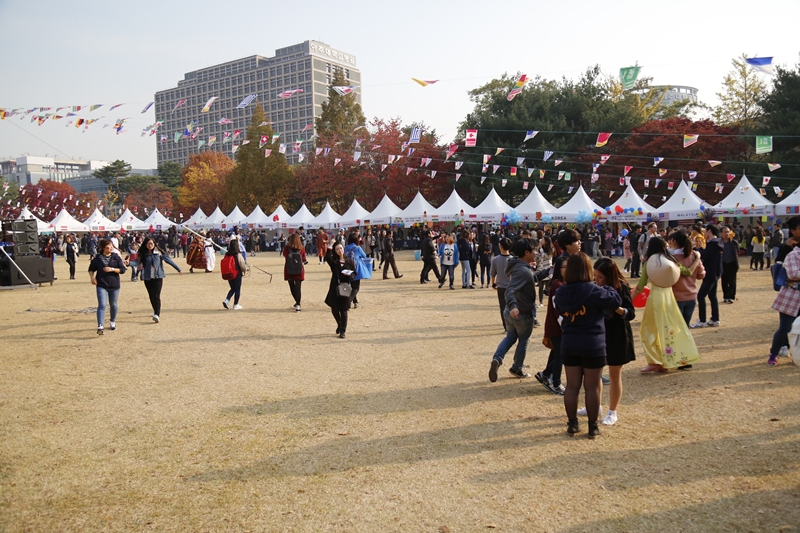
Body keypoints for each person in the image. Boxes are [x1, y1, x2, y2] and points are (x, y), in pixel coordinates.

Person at [554, 253, 621, 438]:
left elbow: (559, 309)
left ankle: (572, 424)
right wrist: (606, 286)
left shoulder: (561, 292)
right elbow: (615, 300)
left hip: (569, 342)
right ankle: (592, 426)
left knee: (572, 386)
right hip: (593, 343)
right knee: (591, 387)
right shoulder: (595, 290)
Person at [633, 237, 701, 372]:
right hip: (669, 298)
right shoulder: (672, 261)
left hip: (655, 298)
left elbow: (640, 286)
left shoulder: (649, 263)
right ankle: (672, 359)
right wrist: (697, 258)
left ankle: (655, 361)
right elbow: (688, 272)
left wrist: (629, 299)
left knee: (649, 330)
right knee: (672, 328)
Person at [590, 257, 635, 426]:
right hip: (599, 335)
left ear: (610, 275)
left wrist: (616, 307)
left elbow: (630, 313)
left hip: (618, 335)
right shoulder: (594, 288)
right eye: (595, 276)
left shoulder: (621, 287)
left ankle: (612, 412)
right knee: (595, 374)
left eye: (600, 277)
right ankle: (596, 406)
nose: (597, 280)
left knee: (614, 375)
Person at [488, 238, 537, 383]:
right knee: (524, 340)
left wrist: (549, 271)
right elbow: (510, 290)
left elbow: (530, 279)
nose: (536, 252)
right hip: (520, 312)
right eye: (534, 250)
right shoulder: (522, 270)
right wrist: (514, 306)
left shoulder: (516, 265)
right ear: (526, 252)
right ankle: (517, 367)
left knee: (510, 337)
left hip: (509, 312)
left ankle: (497, 359)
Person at [536, 255, 568, 395]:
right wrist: (565, 324)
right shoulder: (557, 285)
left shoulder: (562, 283)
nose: (566, 270)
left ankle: (545, 374)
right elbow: (557, 309)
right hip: (557, 325)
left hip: (558, 325)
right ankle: (556, 383)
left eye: (568, 267)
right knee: (560, 355)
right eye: (563, 267)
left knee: (556, 352)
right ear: (558, 269)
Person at [138, 236, 182, 323]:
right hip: (147, 278)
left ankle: (157, 314)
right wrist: (127, 263)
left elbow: (169, 260)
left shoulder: (159, 253)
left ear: (154, 244)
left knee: (156, 296)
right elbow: (136, 263)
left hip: (158, 277)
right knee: (151, 296)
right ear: (145, 245)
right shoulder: (143, 254)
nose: (150, 245)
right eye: (148, 244)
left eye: (151, 243)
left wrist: (178, 269)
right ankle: (155, 310)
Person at [88, 238, 127, 335]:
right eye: (108, 245)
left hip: (114, 285)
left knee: (113, 305)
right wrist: (92, 278)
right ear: (103, 247)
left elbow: (122, 270)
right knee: (102, 305)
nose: (111, 247)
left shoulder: (116, 257)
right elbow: (91, 269)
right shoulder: (97, 258)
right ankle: (100, 326)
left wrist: (112, 269)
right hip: (102, 285)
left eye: (111, 245)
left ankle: (112, 321)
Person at [669, 230, 705, 326]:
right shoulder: (694, 256)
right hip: (691, 296)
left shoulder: (672, 258)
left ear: (674, 241)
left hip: (676, 296)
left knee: (677, 328)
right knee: (686, 327)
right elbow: (701, 275)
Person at [693, 225, 723, 328]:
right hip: (715, 273)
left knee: (701, 296)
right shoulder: (717, 242)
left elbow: (704, 255)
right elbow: (708, 254)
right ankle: (715, 319)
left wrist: (695, 250)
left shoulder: (713, 244)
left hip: (710, 273)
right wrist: (701, 248)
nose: (704, 233)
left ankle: (702, 320)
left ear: (709, 231)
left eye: (705, 231)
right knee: (712, 296)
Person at [325, 242, 356, 339]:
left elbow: (354, 273)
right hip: (335, 287)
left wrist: (349, 275)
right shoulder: (334, 261)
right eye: (337, 249)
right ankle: (339, 323)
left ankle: (343, 330)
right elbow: (327, 257)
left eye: (341, 248)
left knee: (344, 310)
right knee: (334, 309)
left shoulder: (349, 261)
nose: (340, 250)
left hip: (345, 287)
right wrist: (330, 246)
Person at [490, 237, 513, 331]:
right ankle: (512, 325)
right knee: (512, 306)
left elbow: (493, 274)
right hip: (512, 287)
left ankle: (506, 326)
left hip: (501, 287)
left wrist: (493, 283)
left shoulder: (495, 259)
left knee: (503, 307)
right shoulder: (513, 260)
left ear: (501, 247)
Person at [283, 233, 307, 312]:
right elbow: (303, 258)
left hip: (289, 269)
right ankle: (298, 304)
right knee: (298, 288)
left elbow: (284, 255)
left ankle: (297, 302)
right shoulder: (301, 248)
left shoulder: (287, 248)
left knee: (292, 287)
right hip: (299, 269)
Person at [344, 233, 368, 309]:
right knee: (356, 288)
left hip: (347, 269)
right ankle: (347, 302)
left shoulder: (345, 248)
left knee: (351, 286)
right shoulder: (358, 248)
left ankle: (355, 302)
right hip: (355, 269)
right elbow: (364, 256)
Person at [222, 239, 247, 310]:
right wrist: (244, 270)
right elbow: (242, 264)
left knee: (233, 288)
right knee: (237, 289)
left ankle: (227, 300)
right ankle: (236, 304)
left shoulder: (227, 254)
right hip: (237, 273)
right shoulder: (238, 254)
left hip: (229, 273)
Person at [721, 225, 740, 304]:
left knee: (732, 281)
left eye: (728, 232)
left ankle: (732, 297)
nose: (727, 234)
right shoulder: (719, 243)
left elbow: (737, 252)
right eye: (725, 232)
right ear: (721, 233)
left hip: (732, 264)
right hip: (723, 264)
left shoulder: (734, 242)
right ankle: (726, 296)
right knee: (724, 281)